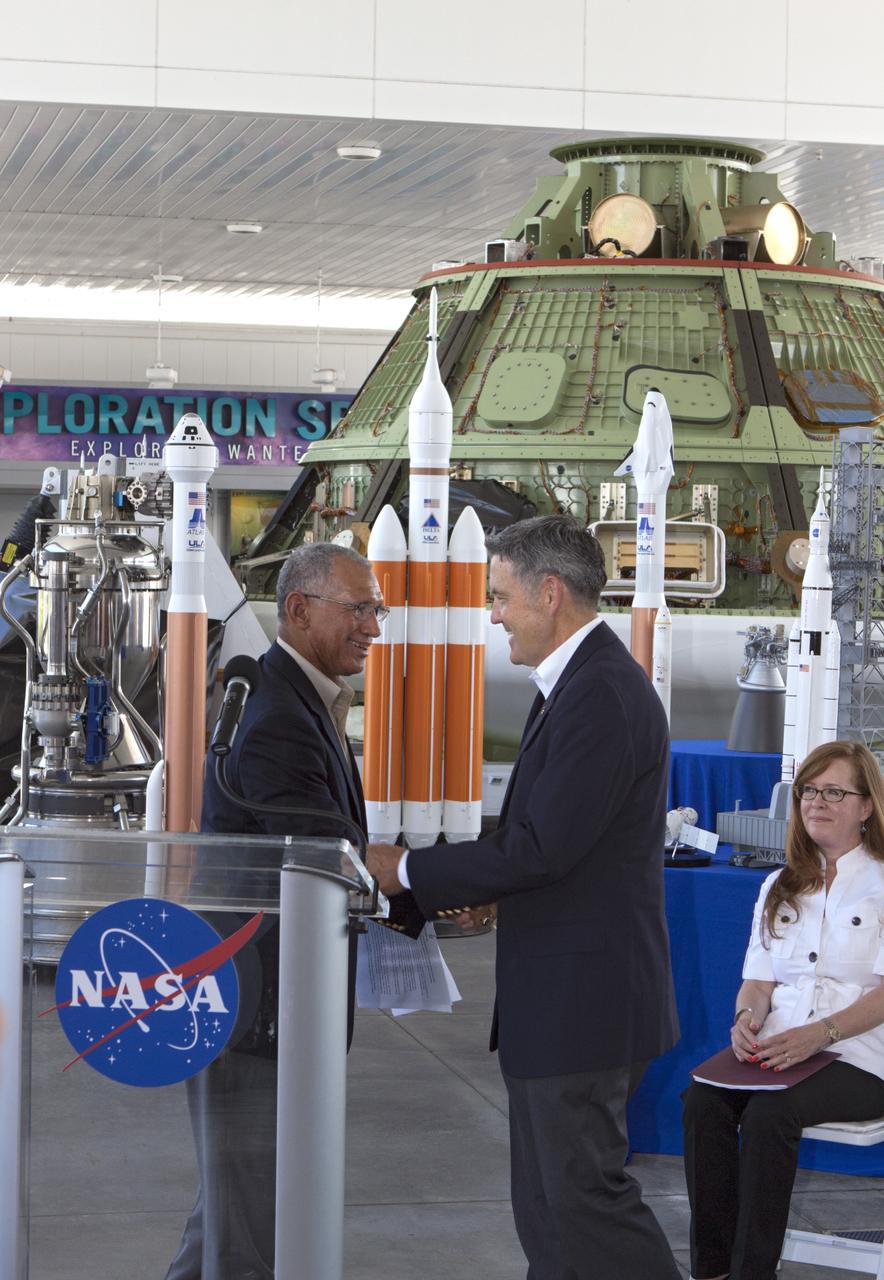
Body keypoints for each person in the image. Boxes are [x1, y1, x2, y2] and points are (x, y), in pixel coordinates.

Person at [368, 514, 681, 1280]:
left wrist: (406, 871)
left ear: (550, 593)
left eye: (502, 596)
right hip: (565, 995)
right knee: (548, 1209)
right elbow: (575, 845)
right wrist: (503, 900)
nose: (493, 614)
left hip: (583, 1003)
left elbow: (543, 846)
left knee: (582, 1207)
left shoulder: (600, 693)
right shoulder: (576, 683)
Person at [166, 541, 388, 1280]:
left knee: (232, 1218)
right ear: (298, 610)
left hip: (268, 1004)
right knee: (246, 1236)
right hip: (254, 1008)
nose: (374, 628)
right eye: (359, 609)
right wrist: (422, 884)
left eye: (377, 609)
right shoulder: (276, 716)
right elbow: (328, 850)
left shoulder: (299, 699)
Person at [682, 740, 884, 1280]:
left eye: (834, 792)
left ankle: (754, 1272)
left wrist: (820, 1034)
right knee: (703, 1101)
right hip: (781, 1048)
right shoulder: (779, 885)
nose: (817, 802)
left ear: (866, 806)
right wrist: (745, 1020)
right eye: (809, 792)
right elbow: (757, 982)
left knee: (772, 1114)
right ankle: (712, 1268)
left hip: (860, 1054)